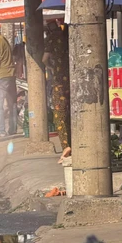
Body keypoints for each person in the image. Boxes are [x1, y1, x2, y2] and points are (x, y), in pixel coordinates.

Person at [43, 20, 71, 160]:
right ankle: (74, 143)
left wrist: (51, 67)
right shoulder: (69, 36)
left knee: (59, 115)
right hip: (72, 81)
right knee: (72, 113)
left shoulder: (51, 39)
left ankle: (66, 146)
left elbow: (44, 59)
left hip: (59, 81)